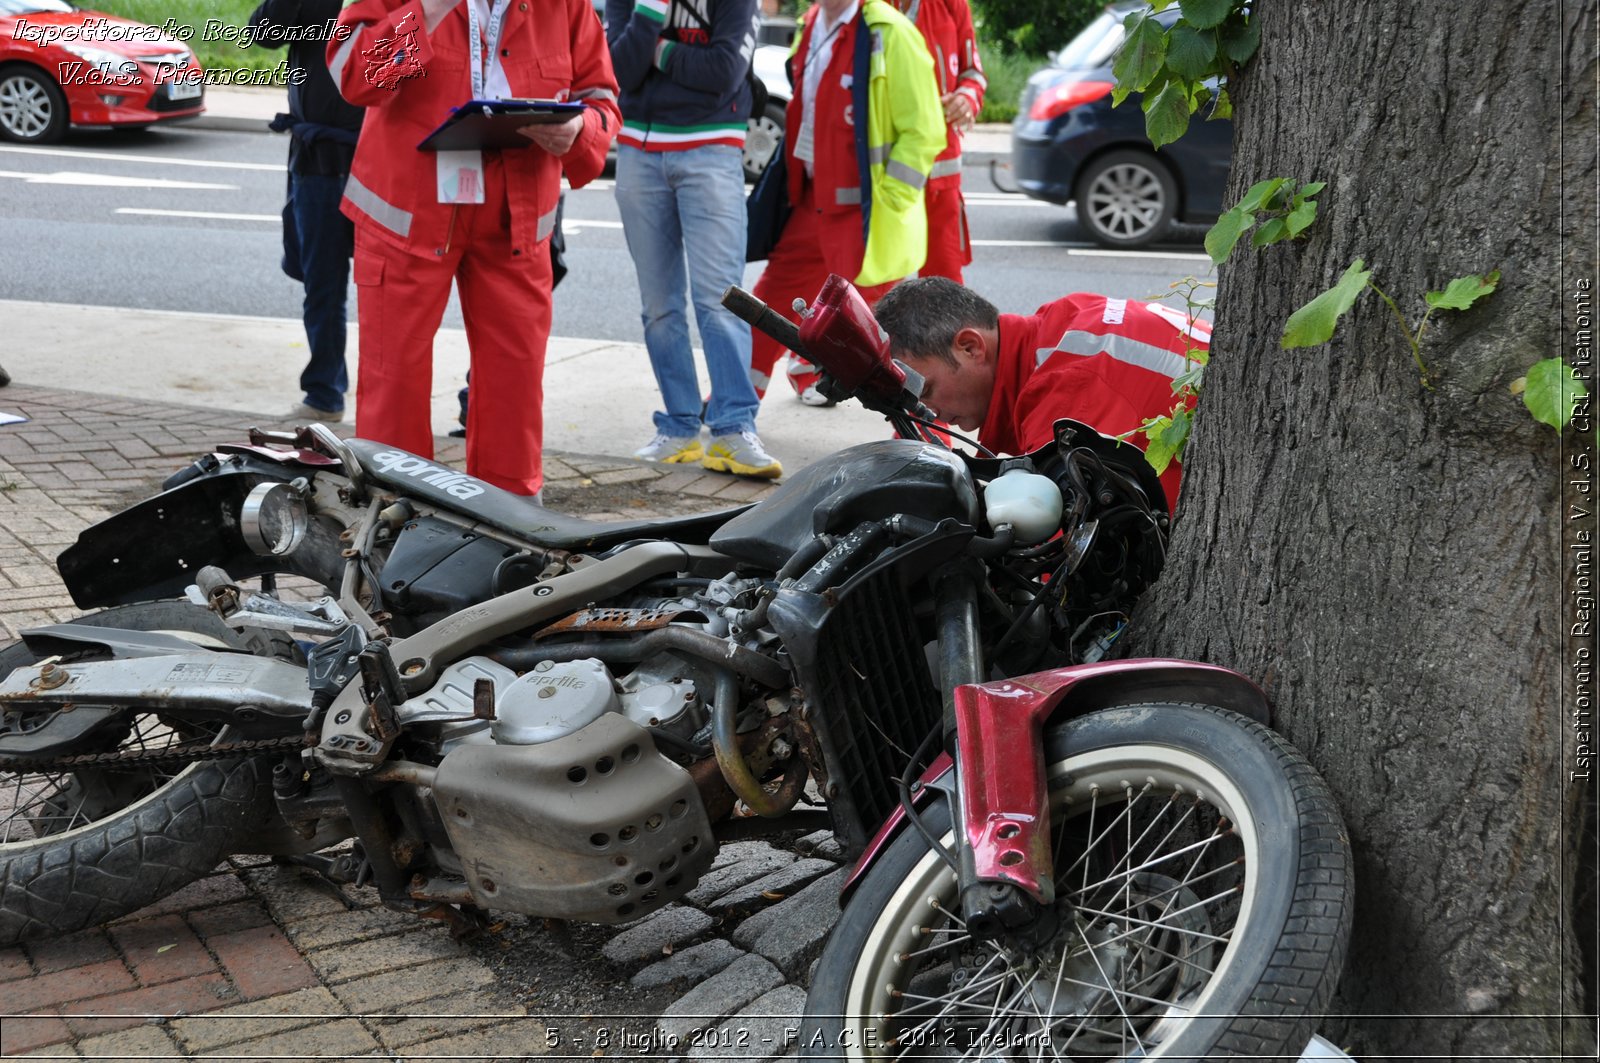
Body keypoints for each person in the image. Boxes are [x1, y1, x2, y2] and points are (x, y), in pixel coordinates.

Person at [328, 0, 620, 497]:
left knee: (516, 385)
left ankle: (511, 530)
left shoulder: (567, 6)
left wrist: (579, 129)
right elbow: (354, 78)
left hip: (518, 216)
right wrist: (430, 8)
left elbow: (602, 101)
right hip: (406, 212)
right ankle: (392, 521)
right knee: (393, 380)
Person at [606, 0, 781, 479]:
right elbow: (617, 70)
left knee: (721, 301)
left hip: (711, 148)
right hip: (639, 152)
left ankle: (733, 428)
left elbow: (724, 71)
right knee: (658, 306)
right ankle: (678, 426)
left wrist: (655, 51)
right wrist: (648, 13)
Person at [745, 0, 944, 405]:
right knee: (767, 308)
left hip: (865, 217)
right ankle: (734, 405)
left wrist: (889, 202)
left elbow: (924, 130)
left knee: (890, 336)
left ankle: (932, 429)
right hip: (811, 205)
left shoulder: (890, 33)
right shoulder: (814, 23)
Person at [871, 277, 1211, 511]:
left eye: (926, 389)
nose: (925, 409)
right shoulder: (1061, 328)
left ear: (971, 347)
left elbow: (1073, 570)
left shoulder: (1071, 394)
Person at [248, 0, 365, 423]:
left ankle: (368, 401)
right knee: (322, 285)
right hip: (316, 163)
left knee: (382, 291)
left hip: (372, 160)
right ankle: (325, 395)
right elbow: (263, 33)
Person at [893, 0, 983, 283]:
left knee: (943, 290)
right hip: (886, 170)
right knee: (874, 290)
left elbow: (972, 73)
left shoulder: (952, 4)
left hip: (940, 174)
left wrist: (966, 98)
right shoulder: (866, 6)